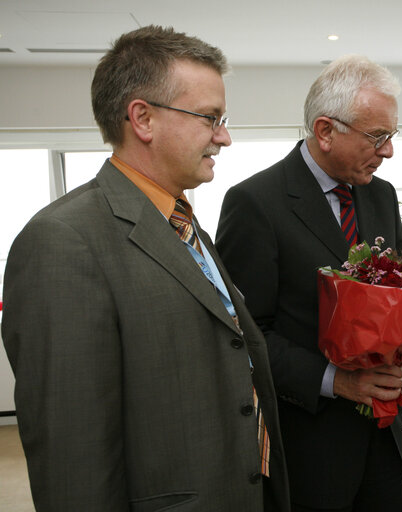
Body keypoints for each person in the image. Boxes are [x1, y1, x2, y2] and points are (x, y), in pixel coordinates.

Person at [1, 25, 290, 511]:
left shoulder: (183, 222)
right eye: (210, 117)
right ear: (143, 119)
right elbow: (73, 458)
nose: (225, 137)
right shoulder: (63, 240)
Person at [215, 55, 402, 511]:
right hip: (310, 445)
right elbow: (245, 337)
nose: (389, 150)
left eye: (391, 135)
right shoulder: (255, 203)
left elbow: (397, 311)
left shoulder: (381, 195)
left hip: (383, 438)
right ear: (325, 130)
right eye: (378, 137)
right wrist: (338, 381)